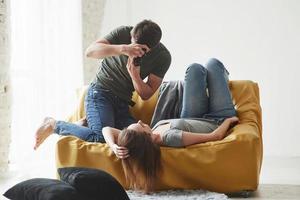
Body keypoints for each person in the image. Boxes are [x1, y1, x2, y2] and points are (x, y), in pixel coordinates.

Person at [102, 58, 239, 193]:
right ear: (146, 138)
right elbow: (214, 136)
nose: (139, 121)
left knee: (194, 69)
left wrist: (114, 146)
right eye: (140, 125)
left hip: (191, 117)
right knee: (213, 64)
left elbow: (106, 129)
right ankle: (221, 81)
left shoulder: (147, 135)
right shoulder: (169, 137)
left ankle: (215, 82)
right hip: (217, 119)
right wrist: (228, 121)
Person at [34, 19, 171, 150]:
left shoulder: (162, 57)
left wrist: (135, 76)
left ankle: (85, 123)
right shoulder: (123, 32)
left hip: (122, 103)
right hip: (99, 93)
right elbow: (90, 52)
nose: (135, 50)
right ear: (131, 35)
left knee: (140, 140)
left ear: (151, 48)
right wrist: (123, 49)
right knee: (100, 138)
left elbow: (146, 94)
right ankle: (53, 125)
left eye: (141, 50)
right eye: (132, 43)